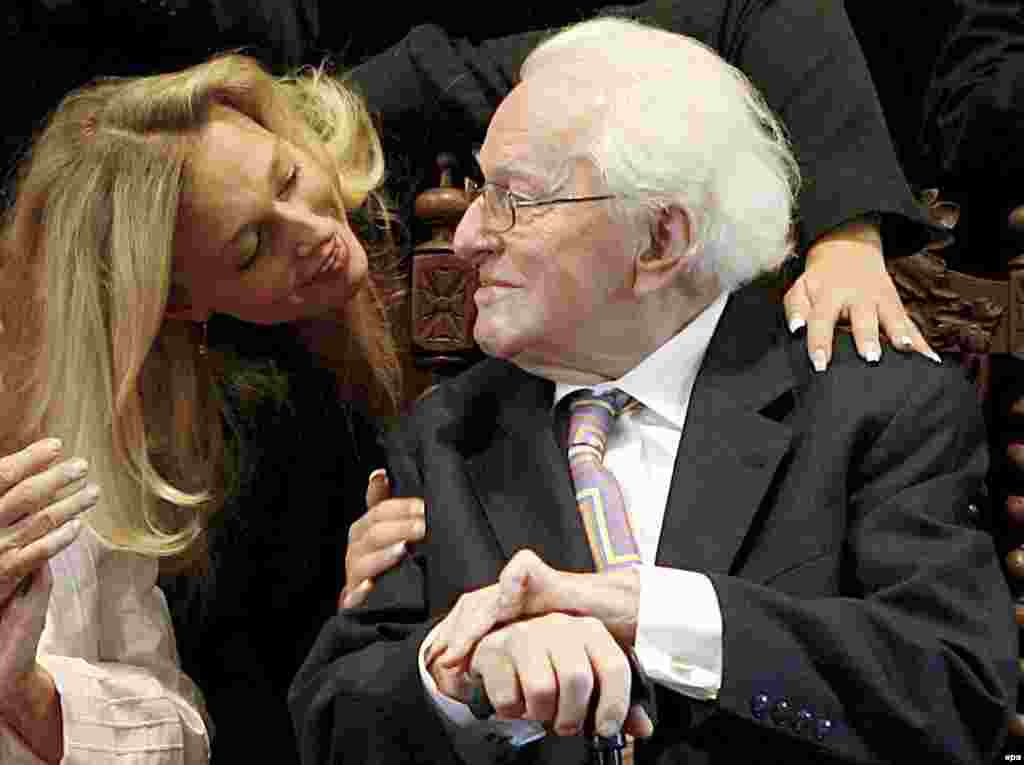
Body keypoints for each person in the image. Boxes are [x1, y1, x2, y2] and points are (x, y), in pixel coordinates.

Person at [290, 18, 1017, 765]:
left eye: (515, 199)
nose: (469, 235)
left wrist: (655, 614)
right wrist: (457, 682)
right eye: (480, 188)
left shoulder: (876, 407)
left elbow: (954, 692)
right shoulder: (441, 432)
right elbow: (335, 719)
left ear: (660, 241)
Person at [0, 53, 403, 763]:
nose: (312, 229)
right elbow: (223, 724)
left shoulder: (376, 139)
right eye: (252, 246)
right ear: (179, 303)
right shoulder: (188, 450)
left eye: (287, 177)